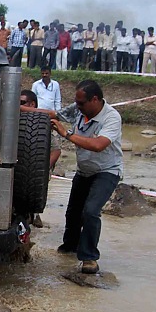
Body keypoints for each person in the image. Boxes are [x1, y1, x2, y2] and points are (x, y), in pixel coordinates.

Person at [36, 80, 123, 274]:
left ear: (95, 99)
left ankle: (89, 258)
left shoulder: (111, 117)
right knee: (73, 213)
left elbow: (98, 145)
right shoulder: (79, 110)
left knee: (91, 211)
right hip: (84, 171)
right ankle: (69, 249)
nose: (78, 106)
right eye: (77, 103)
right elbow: (53, 114)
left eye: (82, 103)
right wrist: (19, 108)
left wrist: (66, 134)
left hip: (106, 171)